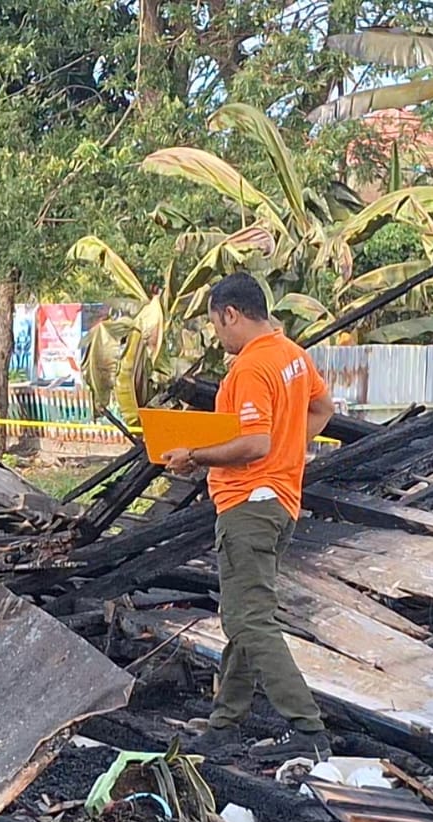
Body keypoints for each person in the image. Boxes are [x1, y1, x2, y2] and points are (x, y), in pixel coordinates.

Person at [160, 273, 335, 760]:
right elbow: (323, 406)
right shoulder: (292, 356)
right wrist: (292, 450)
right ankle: (225, 720)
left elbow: (254, 444)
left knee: (249, 619)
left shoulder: (251, 368)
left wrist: (194, 454)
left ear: (230, 314)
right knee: (242, 614)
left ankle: (307, 726)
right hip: (280, 502)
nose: (220, 338)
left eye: (218, 326)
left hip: (248, 506)